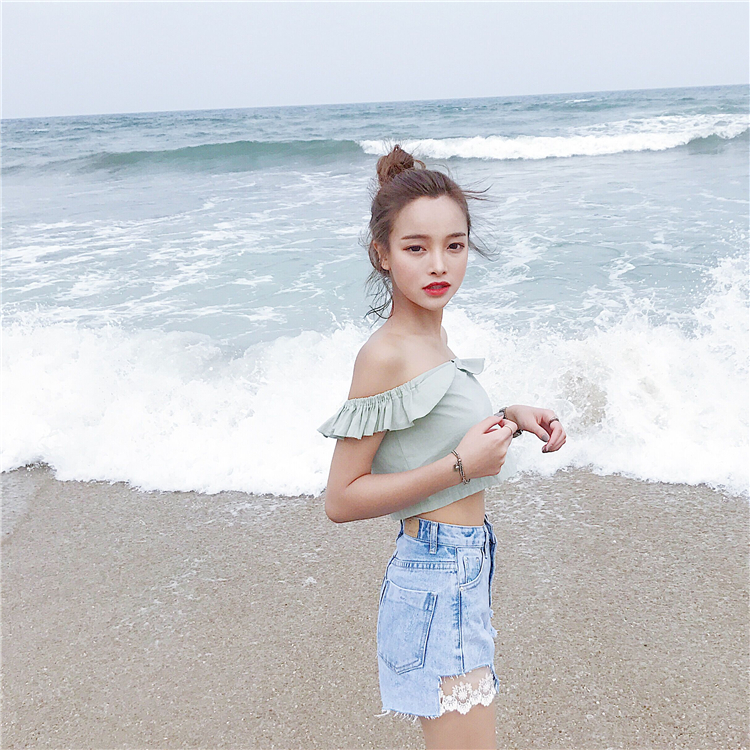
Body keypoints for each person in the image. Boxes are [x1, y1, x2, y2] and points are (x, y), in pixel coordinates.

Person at [317, 144, 566, 750]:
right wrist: (460, 466)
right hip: (435, 573)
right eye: (416, 248)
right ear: (382, 254)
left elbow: (425, 433)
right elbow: (341, 499)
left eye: (454, 245)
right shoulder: (385, 354)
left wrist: (509, 417)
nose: (439, 265)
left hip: (463, 564)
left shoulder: (435, 337)